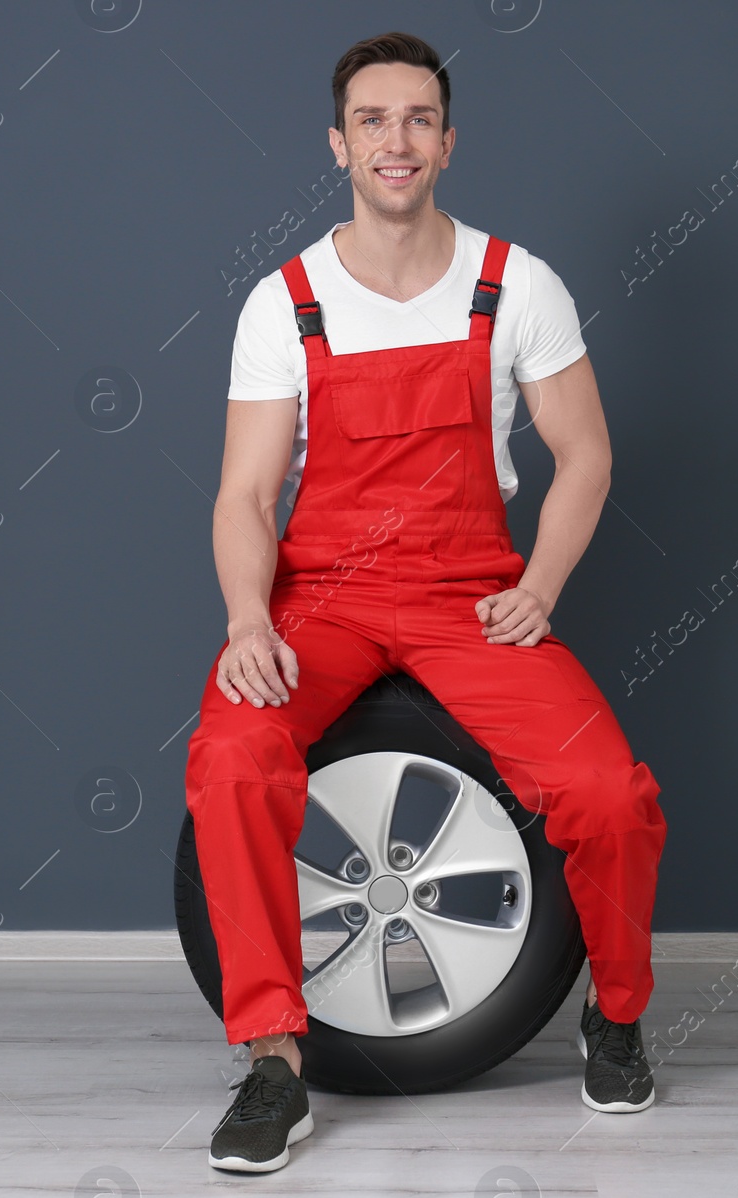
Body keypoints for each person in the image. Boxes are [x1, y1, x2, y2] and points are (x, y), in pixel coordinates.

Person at [185, 30, 668, 1174]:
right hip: (325, 593)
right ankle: (271, 1064)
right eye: (371, 120)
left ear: (446, 143)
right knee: (231, 762)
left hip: (469, 590)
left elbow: (584, 454)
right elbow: (247, 494)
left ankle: (618, 1013)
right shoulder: (285, 297)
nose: (393, 140)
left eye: (415, 120)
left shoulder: (514, 282)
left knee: (609, 793)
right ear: (338, 144)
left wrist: (538, 589)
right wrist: (250, 619)